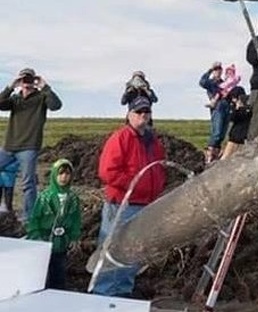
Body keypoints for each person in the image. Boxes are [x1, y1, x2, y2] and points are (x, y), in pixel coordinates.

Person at [92, 96, 166, 298]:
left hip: (146, 205)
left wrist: (156, 187)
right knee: (112, 248)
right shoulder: (120, 138)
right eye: (138, 112)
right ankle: (104, 293)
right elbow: (107, 172)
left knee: (133, 250)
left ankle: (123, 290)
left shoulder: (153, 142)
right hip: (122, 205)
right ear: (129, 114)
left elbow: (159, 168)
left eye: (146, 112)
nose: (143, 116)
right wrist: (135, 184)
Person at [0, 67, 62, 221]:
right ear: (20, 81)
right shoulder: (15, 99)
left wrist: (45, 87)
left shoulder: (41, 97)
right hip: (9, 146)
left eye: (29, 79)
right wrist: (10, 87)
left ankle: (29, 217)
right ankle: (7, 207)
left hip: (29, 147)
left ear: (35, 80)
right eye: (23, 79)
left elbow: (56, 105)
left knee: (28, 183)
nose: (26, 82)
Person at [26, 158, 82, 290]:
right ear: (54, 175)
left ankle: (58, 292)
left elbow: (75, 219)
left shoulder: (73, 198)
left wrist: (74, 236)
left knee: (59, 270)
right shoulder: (45, 197)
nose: (64, 177)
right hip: (45, 240)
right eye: (60, 173)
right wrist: (35, 235)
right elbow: (35, 218)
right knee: (42, 271)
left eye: (67, 174)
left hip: (61, 242)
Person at [199, 61, 230, 165]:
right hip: (218, 107)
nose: (218, 71)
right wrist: (210, 70)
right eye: (216, 69)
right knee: (216, 132)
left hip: (226, 106)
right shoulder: (211, 83)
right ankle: (209, 155)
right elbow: (202, 82)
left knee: (222, 133)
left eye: (219, 69)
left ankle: (215, 155)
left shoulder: (225, 82)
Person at [221, 87, 253, 160]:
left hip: (236, 138)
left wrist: (237, 109)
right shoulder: (246, 108)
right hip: (239, 137)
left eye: (234, 98)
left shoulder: (244, 109)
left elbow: (233, 118)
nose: (233, 100)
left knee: (225, 158)